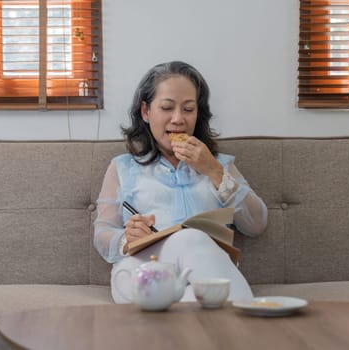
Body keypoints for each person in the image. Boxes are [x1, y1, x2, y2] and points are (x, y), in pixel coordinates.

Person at [93, 61, 267, 303]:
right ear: (146, 111)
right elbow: (102, 234)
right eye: (166, 107)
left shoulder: (219, 165)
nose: (178, 119)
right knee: (191, 237)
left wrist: (214, 171)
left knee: (197, 299)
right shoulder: (122, 167)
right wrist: (126, 238)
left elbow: (256, 224)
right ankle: (247, 325)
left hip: (202, 275)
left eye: (188, 109)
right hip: (141, 273)